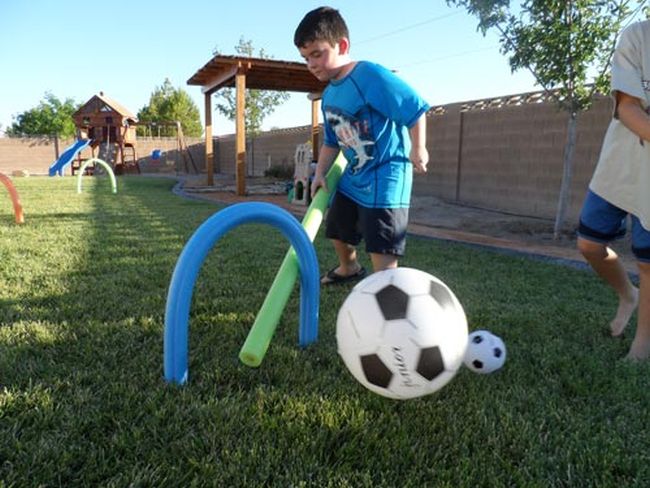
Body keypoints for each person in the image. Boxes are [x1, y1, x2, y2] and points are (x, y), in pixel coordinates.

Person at [294, 6, 430, 285]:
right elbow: (332, 141)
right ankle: (349, 268)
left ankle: (386, 288)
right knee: (337, 228)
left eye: (317, 54)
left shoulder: (370, 76)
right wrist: (319, 173)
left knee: (381, 247)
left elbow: (415, 109)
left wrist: (419, 148)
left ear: (342, 45)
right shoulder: (330, 94)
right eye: (306, 58)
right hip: (355, 177)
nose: (311, 63)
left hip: (386, 176)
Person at [577, 19, 650, 361]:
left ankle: (642, 344)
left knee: (648, 263)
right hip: (621, 162)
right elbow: (627, 107)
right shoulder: (638, 35)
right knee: (589, 243)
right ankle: (627, 294)